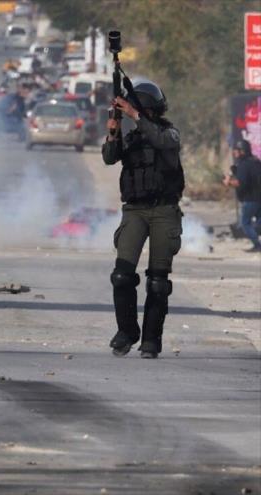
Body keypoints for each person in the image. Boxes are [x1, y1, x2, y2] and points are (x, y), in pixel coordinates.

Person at [102, 79, 184, 359]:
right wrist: (113, 133)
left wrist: (134, 115)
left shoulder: (169, 133)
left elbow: (161, 140)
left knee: (158, 282)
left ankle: (151, 340)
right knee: (122, 276)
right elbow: (110, 158)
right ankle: (127, 332)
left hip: (164, 211)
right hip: (135, 210)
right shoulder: (134, 137)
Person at [223, 139, 261, 252]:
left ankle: (257, 245)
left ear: (242, 151)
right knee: (258, 223)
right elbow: (249, 176)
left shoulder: (244, 165)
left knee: (245, 223)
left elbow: (241, 183)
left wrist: (228, 182)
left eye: (237, 151)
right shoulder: (256, 162)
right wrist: (233, 172)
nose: (235, 153)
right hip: (259, 198)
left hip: (250, 200)